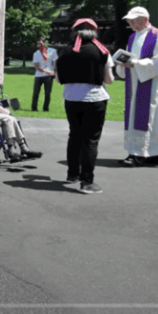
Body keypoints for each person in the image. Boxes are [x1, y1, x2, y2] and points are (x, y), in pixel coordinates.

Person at [56, 18, 115, 193]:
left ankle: (72, 173)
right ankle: (87, 182)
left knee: (75, 135)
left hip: (71, 98)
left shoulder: (65, 51)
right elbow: (109, 79)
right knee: (90, 140)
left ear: (74, 32)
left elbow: (59, 78)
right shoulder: (102, 51)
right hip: (95, 98)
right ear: (94, 31)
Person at [116, 6, 158, 168]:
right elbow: (130, 58)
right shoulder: (132, 37)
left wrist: (136, 64)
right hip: (134, 83)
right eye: (129, 21)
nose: (130, 24)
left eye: (133, 21)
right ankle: (153, 154)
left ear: (143, 19)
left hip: (150, 83)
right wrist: (122, 63)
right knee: (137, 116)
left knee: (147, 116)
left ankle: (140, 154)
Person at [31, 37, 58, 112]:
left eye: (40, 42)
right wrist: (46, 71)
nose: (39, 44)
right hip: (38, 75)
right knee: (36, 92)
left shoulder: (52, 51)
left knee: (47, 93)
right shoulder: (36, 53)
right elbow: (36, 66)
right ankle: (34, 108)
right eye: (38, 43)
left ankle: (45, 108)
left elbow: (55, 62)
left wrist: (54, 72)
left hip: (48, 76)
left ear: (44, 42)